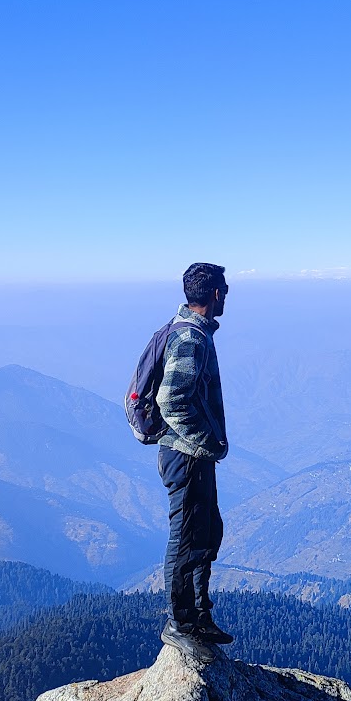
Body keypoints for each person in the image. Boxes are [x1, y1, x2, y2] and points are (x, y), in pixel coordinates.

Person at [155, 262, 233, 653]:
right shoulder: (191, 339)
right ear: (214, 294)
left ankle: (199, 616)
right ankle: (179, 624)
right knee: (186, 539)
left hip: (193, 455)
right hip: (185, 456)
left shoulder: (193, 332)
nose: (228, 291)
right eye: (225, 286)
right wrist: (207, 440)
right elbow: (170, 400)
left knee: (205, 535)